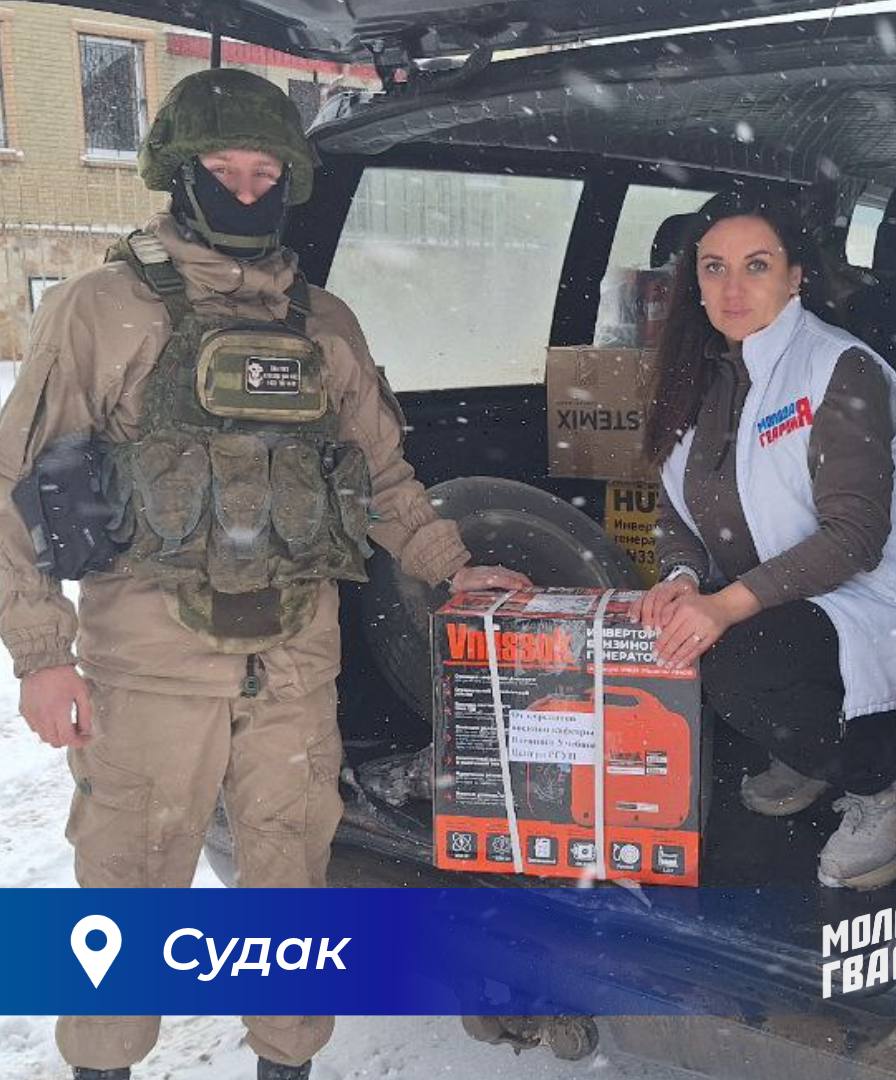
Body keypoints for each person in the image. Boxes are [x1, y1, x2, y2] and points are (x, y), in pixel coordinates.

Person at [0, 68, 528, 1080]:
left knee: (291, 897)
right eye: (222, 169)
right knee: (126, 898)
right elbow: (12, 479)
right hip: (150, 674)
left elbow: (379, 475)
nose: (245, 190)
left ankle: (287, 1066)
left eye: (264, 173)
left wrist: (451, 570)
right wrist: (40, 653)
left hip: (292, 671)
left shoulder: (324, 322)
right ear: (177, 173)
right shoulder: (101, 310)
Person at [631, 189, 896, 890]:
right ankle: (806, 746)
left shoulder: (838, 369)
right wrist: (682, 580)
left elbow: (855, 535)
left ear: (796, 276)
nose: (733, 288)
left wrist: (722, 607)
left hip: (875, 602)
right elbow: (677, 510)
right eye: (714, 268)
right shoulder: (696, 372)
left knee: (736, 662)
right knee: (667, 635)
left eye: (757, 265)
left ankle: (880, 782)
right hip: (779, 599)